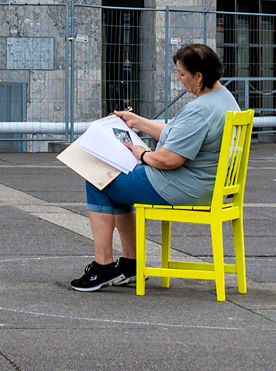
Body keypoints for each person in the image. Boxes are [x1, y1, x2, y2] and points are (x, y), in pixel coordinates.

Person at [69, 42, 241, 291]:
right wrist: (136, 121)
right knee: (118, 185)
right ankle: (130, 266)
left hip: (184, 185)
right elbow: (176, 135)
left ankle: (104, 266)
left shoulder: (199, 110)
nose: (179, 79)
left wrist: (143, 154)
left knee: (98, 179)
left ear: (199, 76)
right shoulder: (223, 99)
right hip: (208, 184)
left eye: (182, 73)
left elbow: (169, 160)